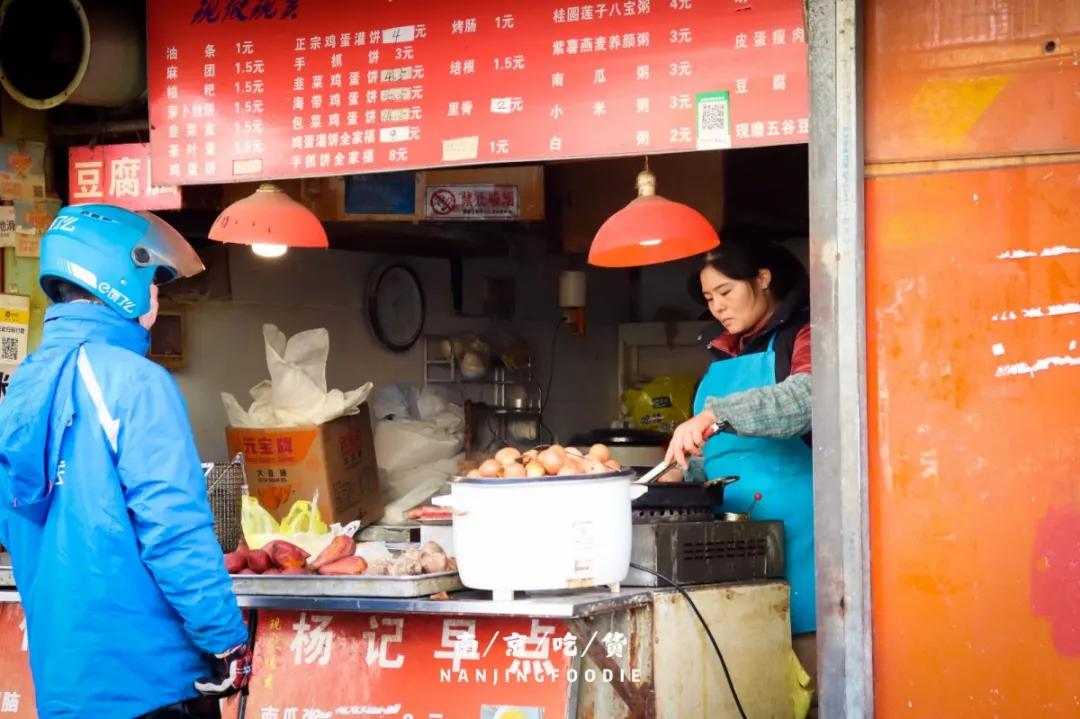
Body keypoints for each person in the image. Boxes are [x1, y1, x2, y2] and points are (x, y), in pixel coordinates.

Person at [0, 205, 251, 718]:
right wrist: (227, 639)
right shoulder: (135, 382)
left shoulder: (22, 384)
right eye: (153, 280)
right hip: (153, 683)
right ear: (121, 277)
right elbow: (174, 529)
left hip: (65, 688)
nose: (157, 295)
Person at [663, 238, 816, 676]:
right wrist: (679, 475)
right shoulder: (719, 357)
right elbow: (709, 452)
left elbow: (805, 399)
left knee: (809, 683)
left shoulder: (802, 336)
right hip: (736, 547)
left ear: (763, 279)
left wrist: (718, 412)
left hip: (802, 545)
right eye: (709, 298)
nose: (717, 307)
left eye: (726, 292)